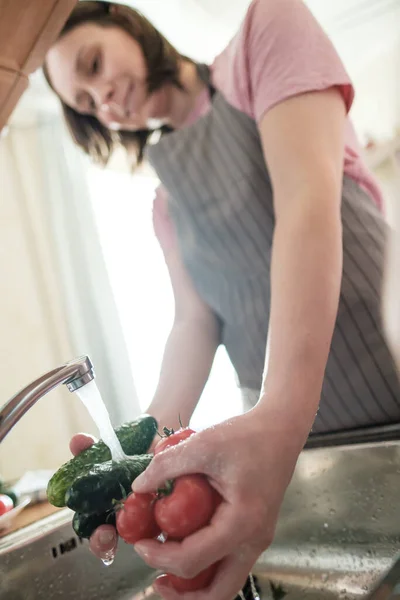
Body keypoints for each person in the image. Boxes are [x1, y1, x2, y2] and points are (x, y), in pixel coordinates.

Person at [44, 0, 400, 598]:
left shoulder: (268, 30)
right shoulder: (167, 206)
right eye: (86, 103)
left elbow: (306, 207)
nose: (104, 98)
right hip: (310, 453)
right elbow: (194, 324)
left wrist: (276, 418)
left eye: (94, 64)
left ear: (125, 22)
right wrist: (137, 456)